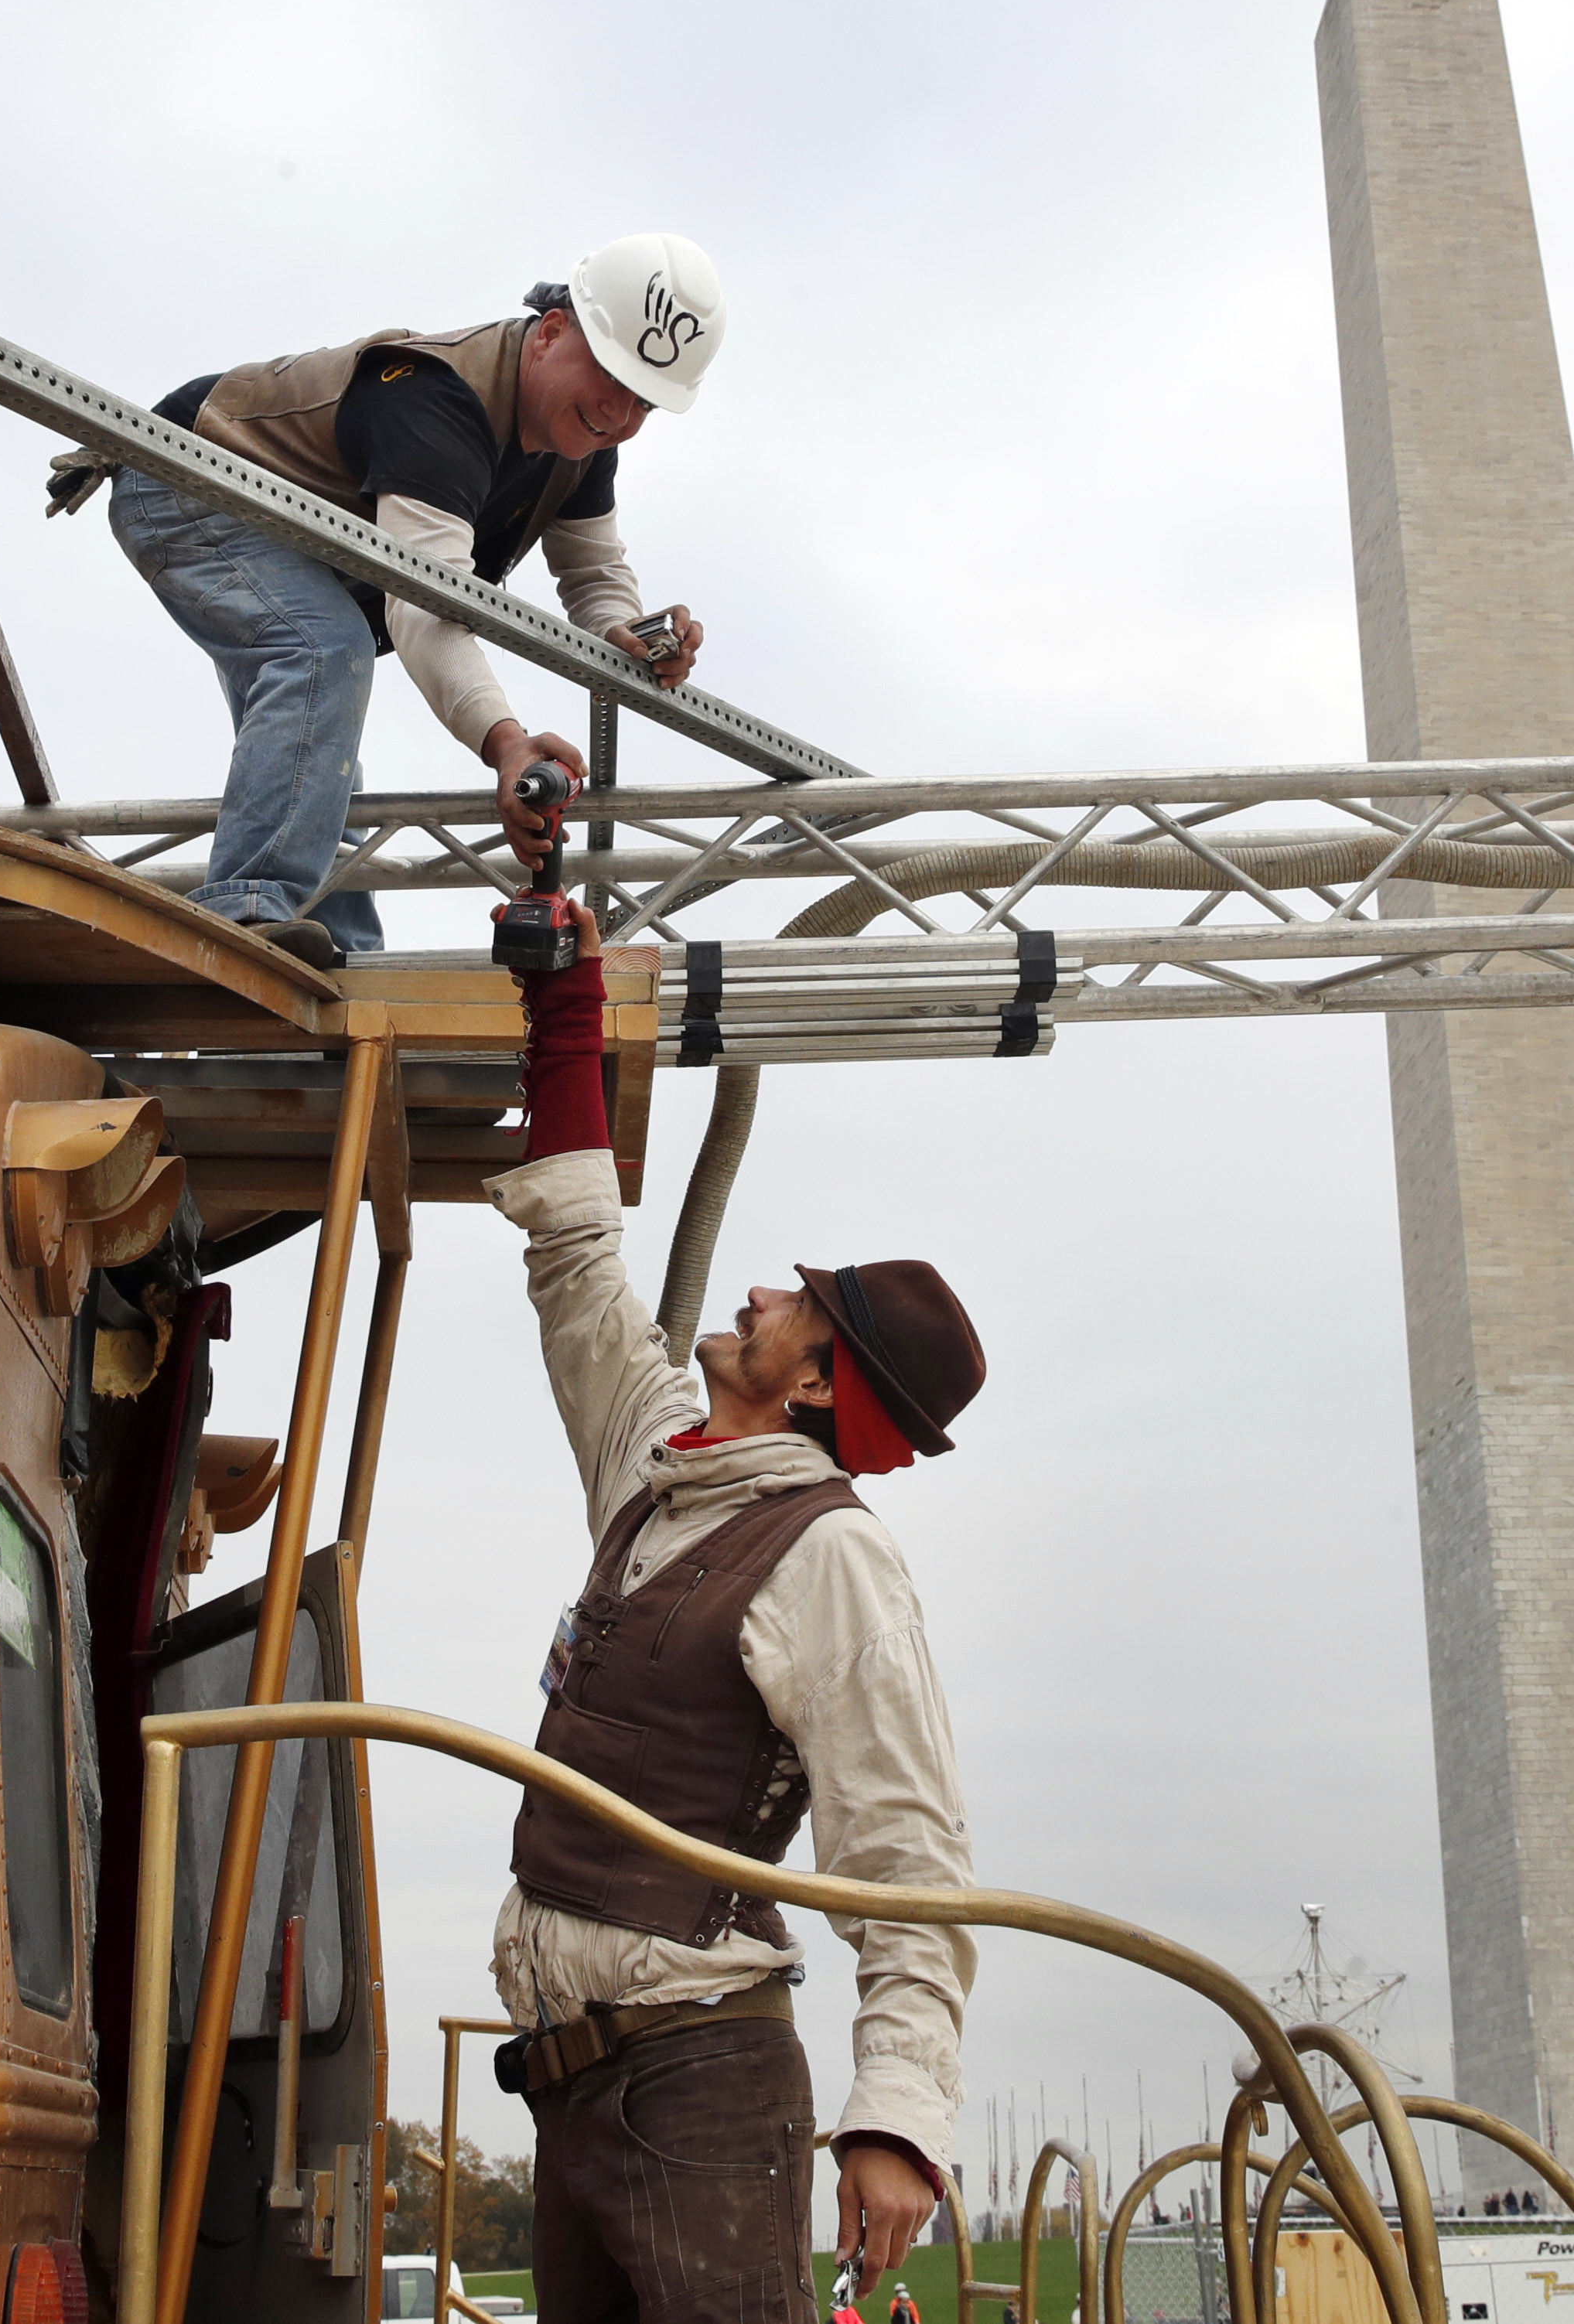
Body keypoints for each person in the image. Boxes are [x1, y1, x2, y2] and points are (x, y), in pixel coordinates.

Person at [481, 897, 985, 2324]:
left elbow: (908, 1853)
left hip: (700, 2084)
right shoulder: (653, 1476)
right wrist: (563, 1007)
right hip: (577, 2084)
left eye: (794, 1306)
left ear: (817, 1384)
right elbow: (577, 1269)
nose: (759, 1286)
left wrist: (895, 2114)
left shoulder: (831, 1559)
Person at [73, 235, 727, 967]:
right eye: (613, 375)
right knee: (322, 652)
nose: (622, 412)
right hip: (186, 484)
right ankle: (248, 914)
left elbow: (592, 571)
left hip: (303, 544)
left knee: (319, 729)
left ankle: (334, 950)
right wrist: (505, 745)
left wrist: (629, 632)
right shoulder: (436, 402)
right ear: (549, 334)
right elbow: (425, 603)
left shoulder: (583, 436)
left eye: (645, 400)